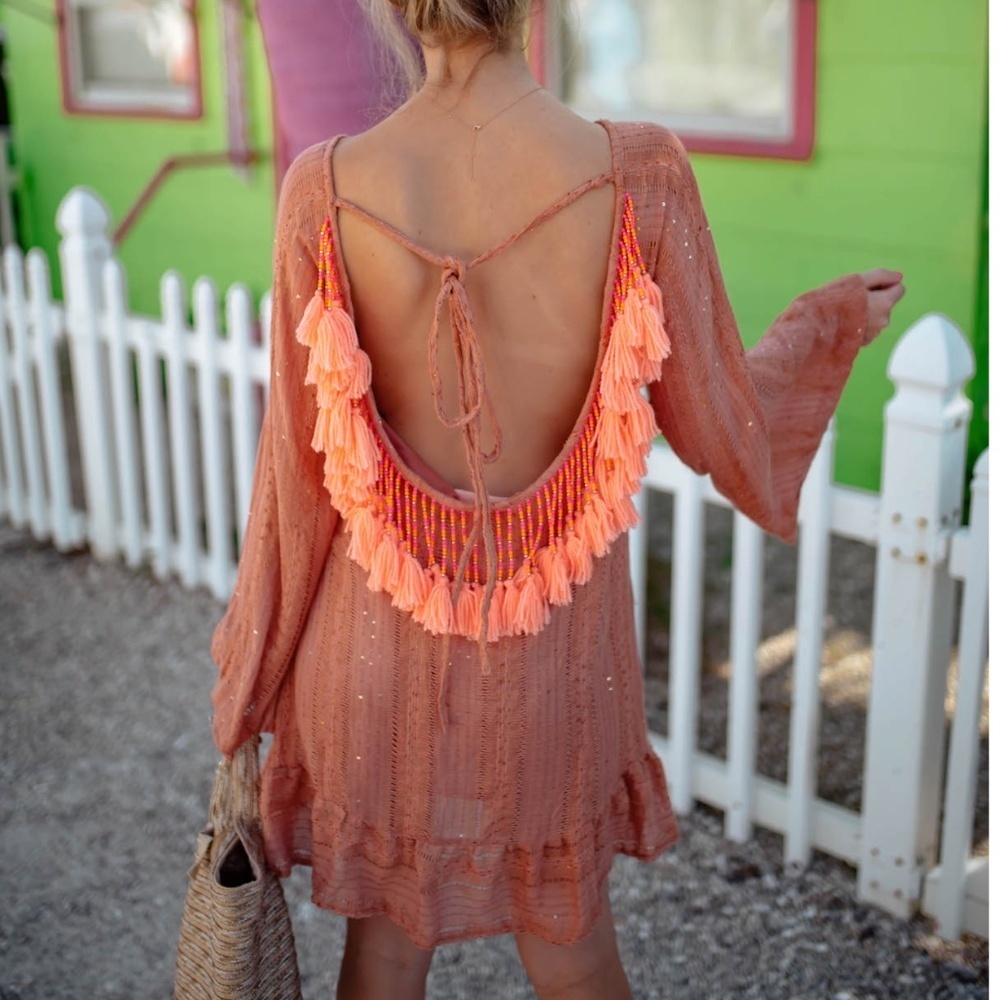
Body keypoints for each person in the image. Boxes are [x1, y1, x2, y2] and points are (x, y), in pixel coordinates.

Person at [209, 0, 905, 995]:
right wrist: (825, 326)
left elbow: (294, 484)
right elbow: (724, 424)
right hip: (553, 662)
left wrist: (247, 687)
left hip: (368, 663)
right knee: (571, 943)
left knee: (386, 949)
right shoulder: (639, 176)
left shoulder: (320, 188)